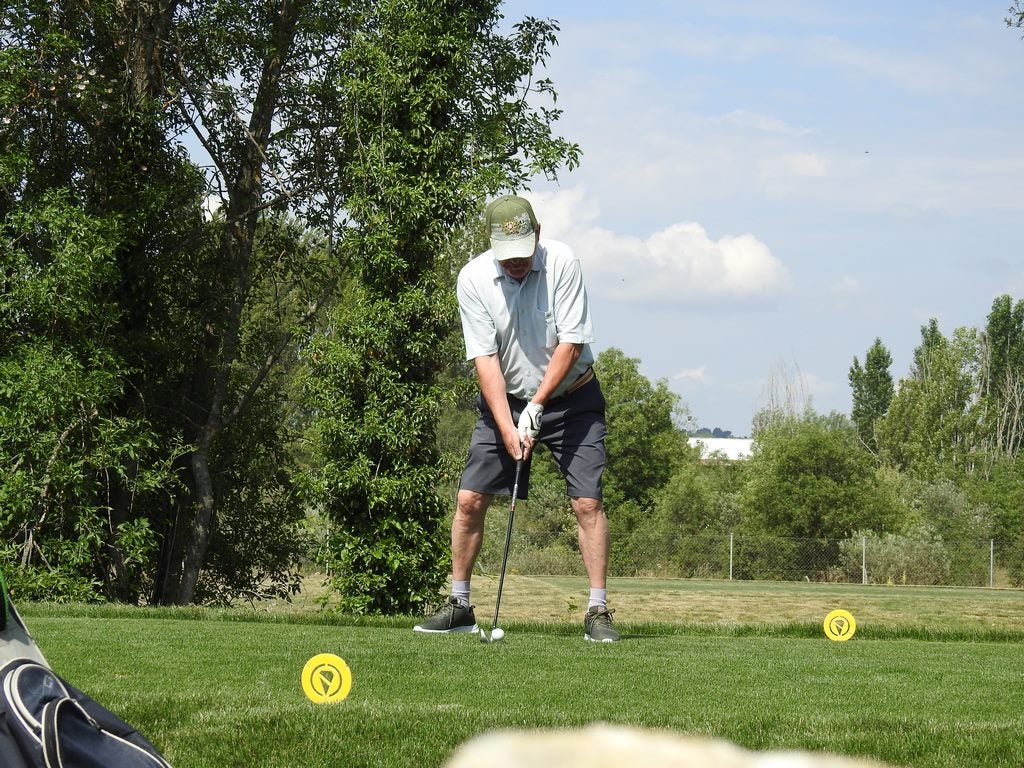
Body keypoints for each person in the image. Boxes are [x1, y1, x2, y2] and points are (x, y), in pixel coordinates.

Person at [414, 194, 618, 642]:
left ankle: (598, 611)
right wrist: (508, 425)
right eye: (507, 258)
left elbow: (572, 344)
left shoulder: (563, 262)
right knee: (469, 500)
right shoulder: (472, 279)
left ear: (538, 236)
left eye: (524, 253)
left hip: (573, 399)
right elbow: (484, 359)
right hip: (503, 401)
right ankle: (460, 605)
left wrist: (538, 405)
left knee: (587, 503)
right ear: (491, 247)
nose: (516, 263)